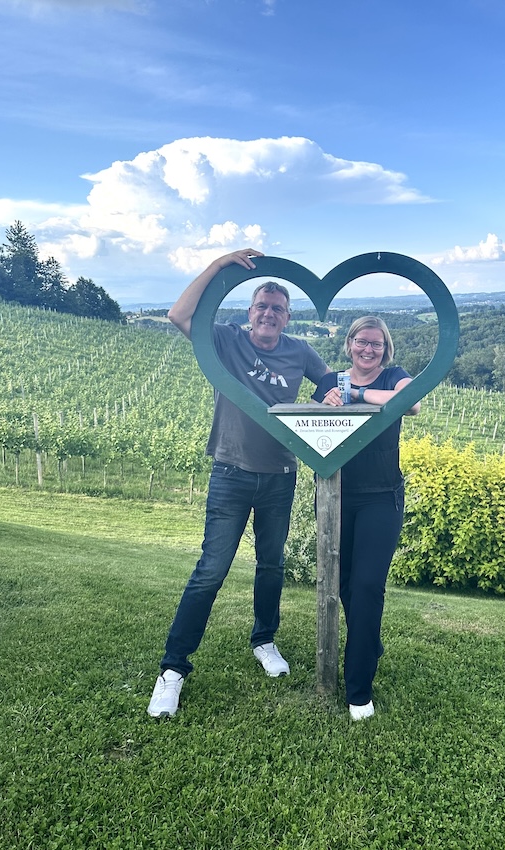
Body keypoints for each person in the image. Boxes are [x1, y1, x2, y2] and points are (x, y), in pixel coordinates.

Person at [148, 249, 330, 718]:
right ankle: (172, 670)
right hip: (230, 472)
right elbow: (178, 315)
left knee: (271, 564)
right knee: (211, 569)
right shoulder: (226, 340)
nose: (269, 314)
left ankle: (264, 641)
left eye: (278, 309)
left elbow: (333, 387)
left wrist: (326, 403)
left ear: (288, 317)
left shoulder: (300, 351)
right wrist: (219, 265)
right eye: (261, 306)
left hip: (280, 474)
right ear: (249, 312)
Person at [312, 316, 420, 720]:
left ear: (386, 349)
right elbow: (309, 424)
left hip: (381, 497)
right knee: (343, 585)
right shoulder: (329, 382)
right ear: (349, 343)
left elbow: (411, 403)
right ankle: (369, 642)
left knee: (368, 586)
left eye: (377, 343)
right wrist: (325, 405)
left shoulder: (394, 376)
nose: (368, 349)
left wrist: (356, 393)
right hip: (335, 496)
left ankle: (359, 691)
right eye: (362, 341)